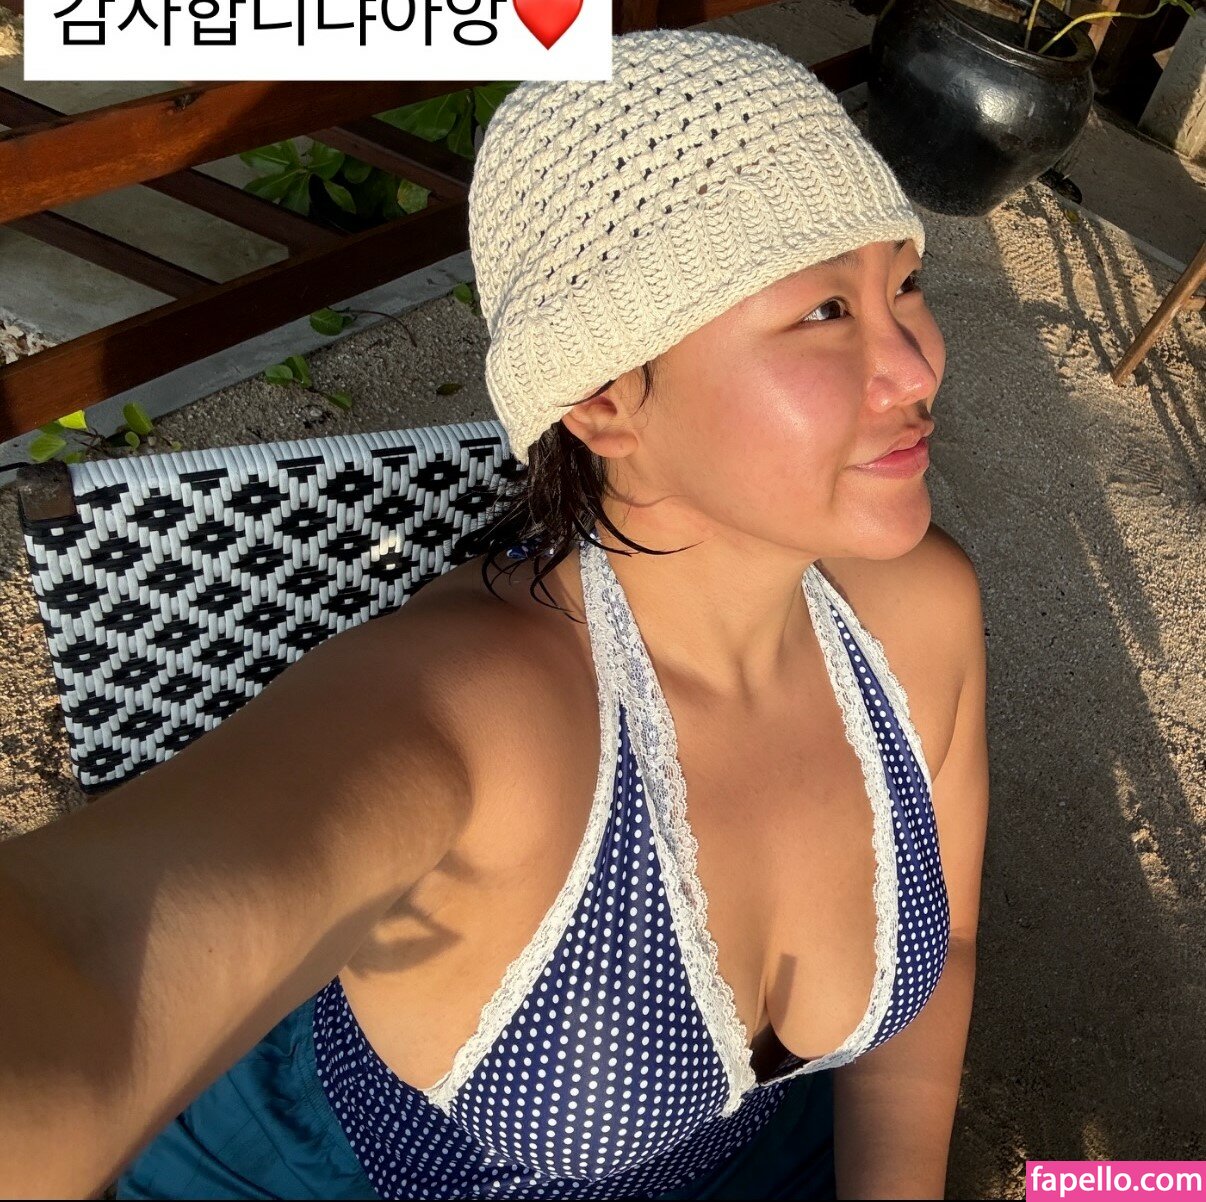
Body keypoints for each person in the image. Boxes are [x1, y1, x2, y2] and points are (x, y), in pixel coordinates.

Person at [0, 26, 989, 1201]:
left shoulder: (917, 617)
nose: (917, 365)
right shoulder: (478, 716)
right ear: (605, 400)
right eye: (825, 309)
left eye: (904, 282)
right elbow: (85, 957)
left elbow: (947, 948)